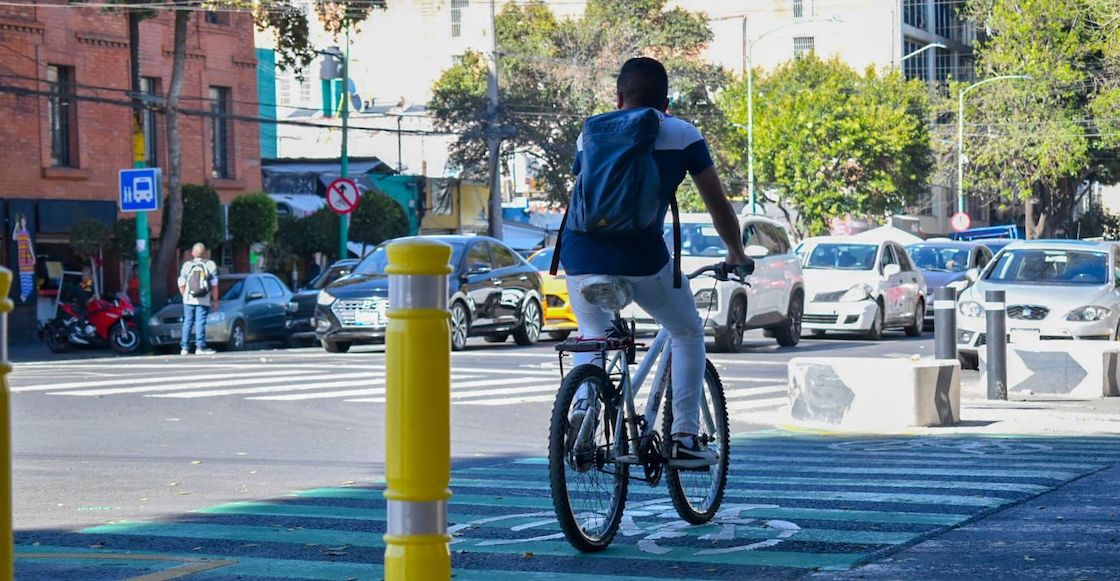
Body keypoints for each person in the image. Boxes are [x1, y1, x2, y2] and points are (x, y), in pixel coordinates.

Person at [559, 57, 751, 469]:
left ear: (619, 96)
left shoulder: (589, 132)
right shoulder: (682, 134)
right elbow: (718, 206)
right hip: (642, 258)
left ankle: (581, 410)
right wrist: (736, 252)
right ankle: (683, 435)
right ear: (667, 103)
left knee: (591, 331)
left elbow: (583, 196)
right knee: (685, 330)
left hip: (580, 255)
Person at [177, 243, 219, 355]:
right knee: (200, 322)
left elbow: (181, 283)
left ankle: (184, 347)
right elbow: (214, 285)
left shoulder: (187, 265)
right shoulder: (210, 265)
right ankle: (200, 347)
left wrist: (185, 295)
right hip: (203, 299)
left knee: (188, 322)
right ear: (204, 253)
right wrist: (215, 300)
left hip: (188, 299)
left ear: (192, 253)